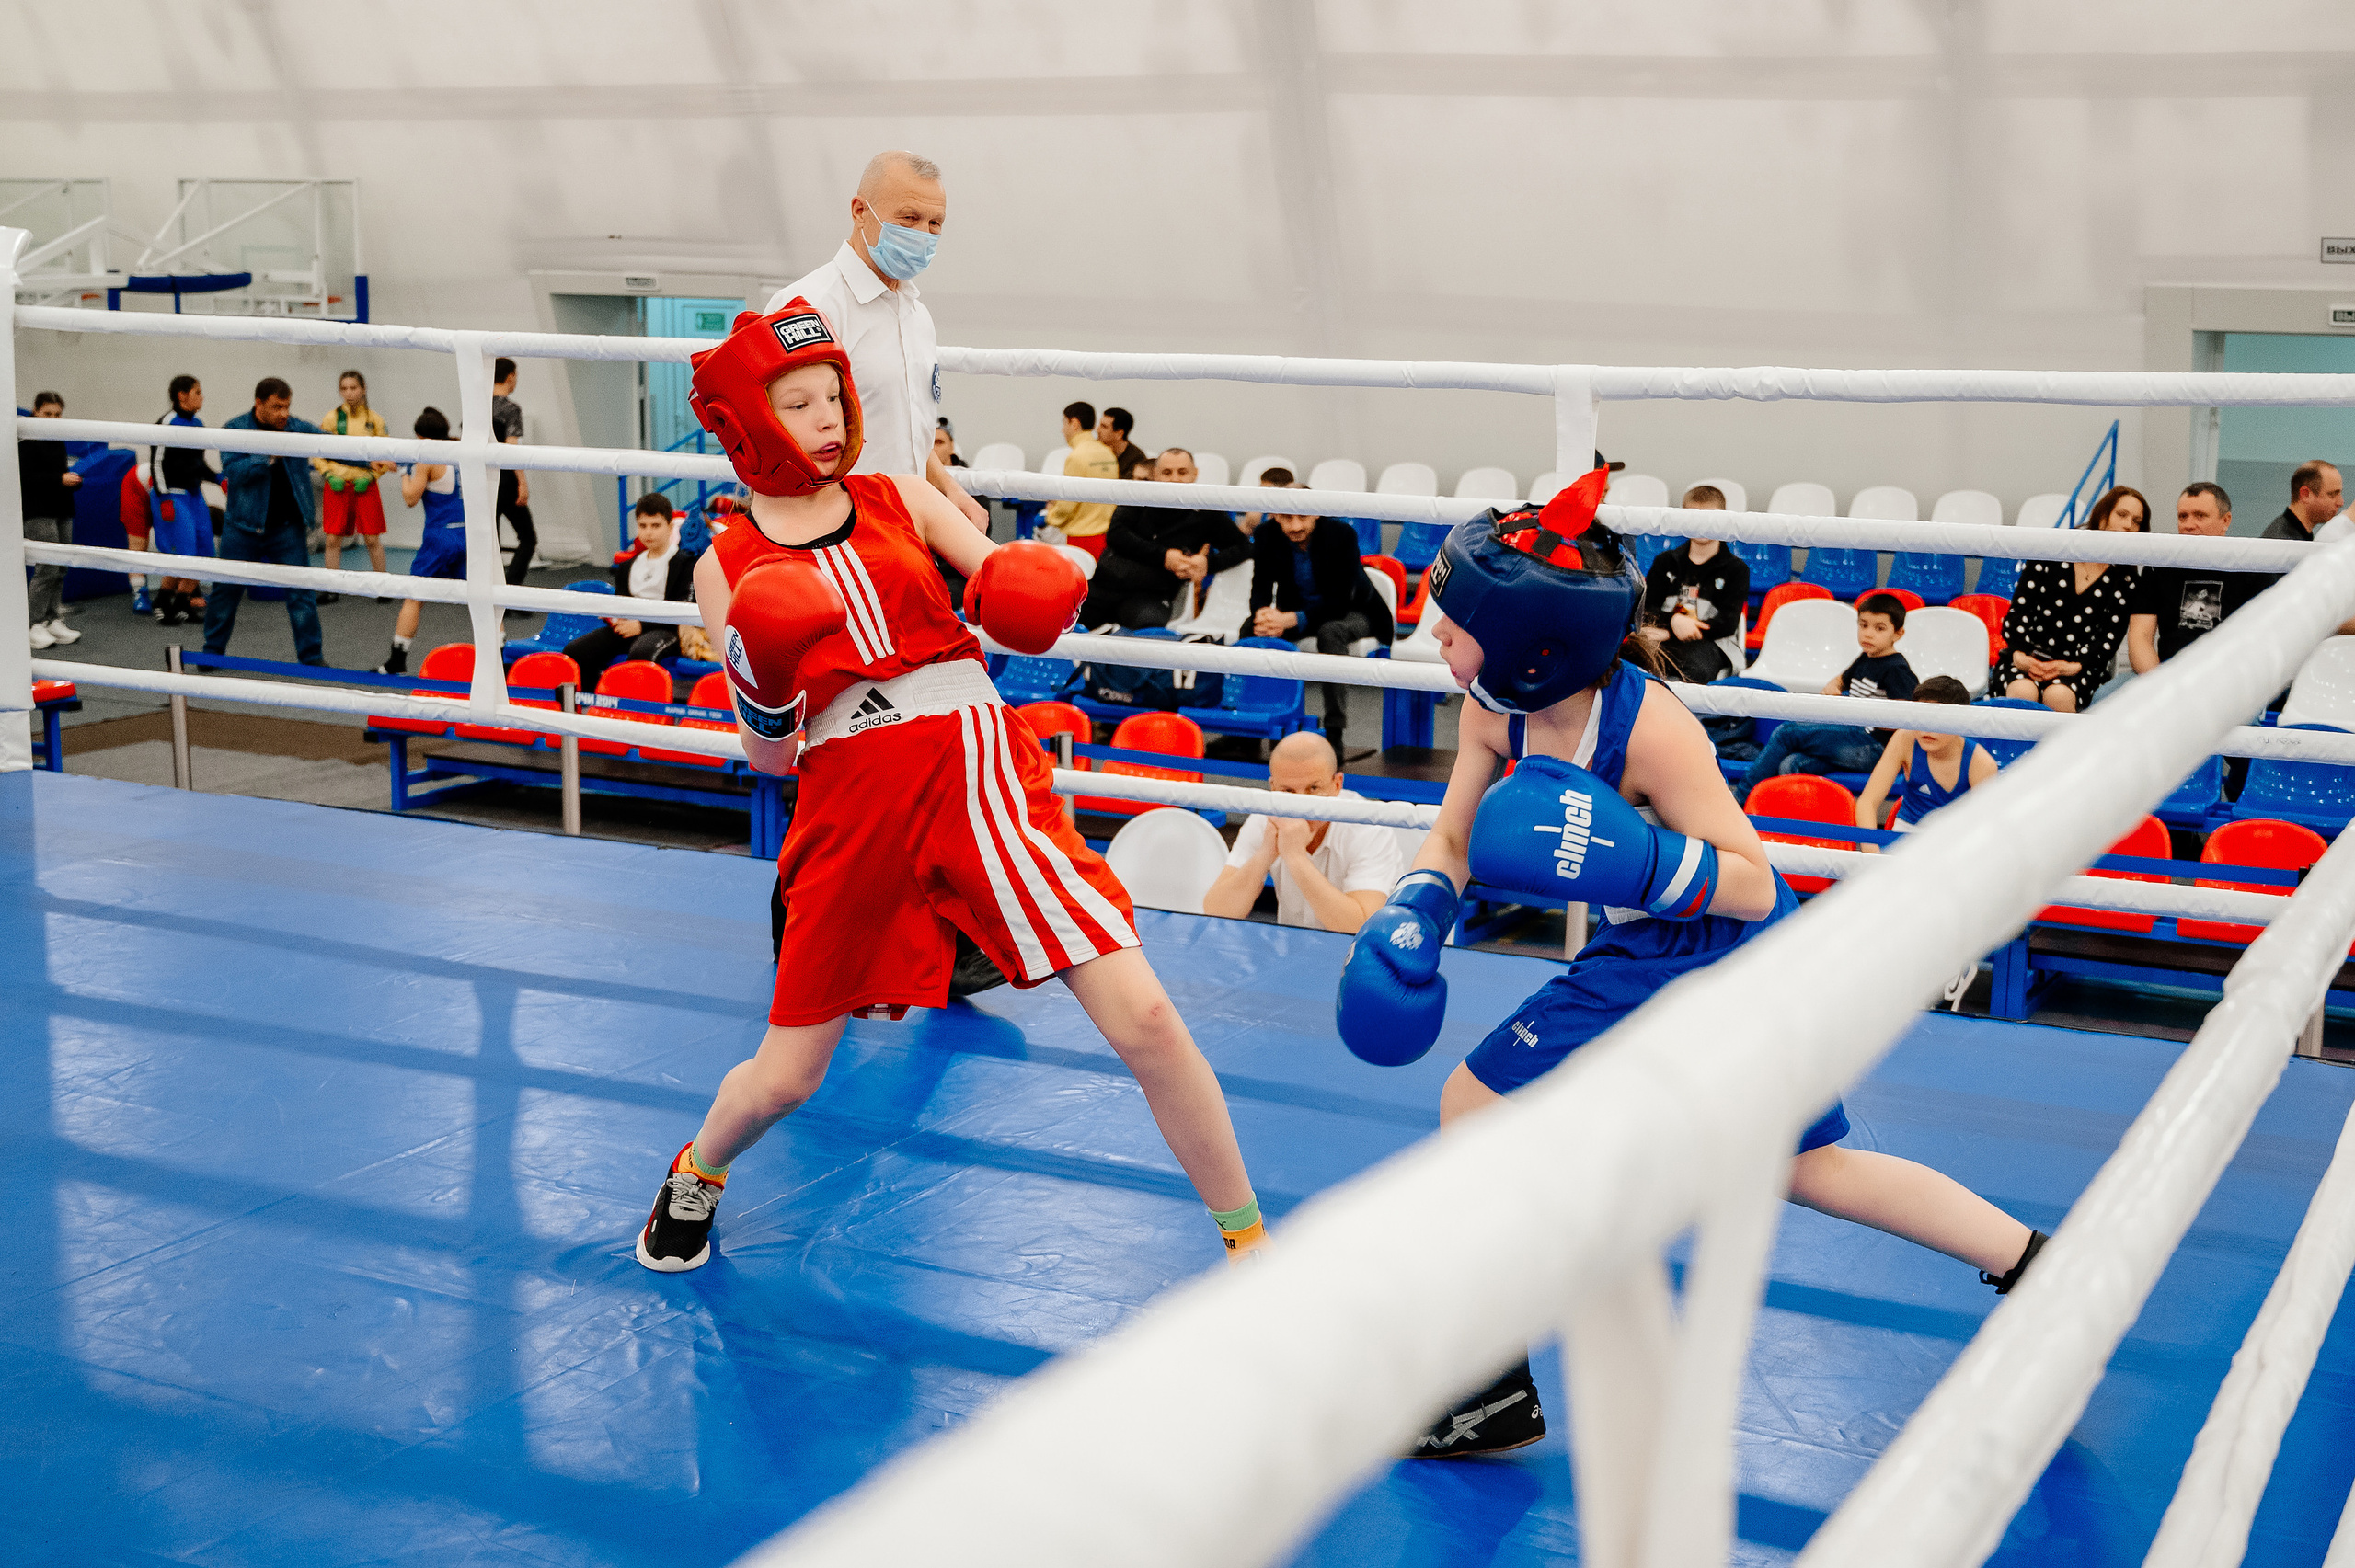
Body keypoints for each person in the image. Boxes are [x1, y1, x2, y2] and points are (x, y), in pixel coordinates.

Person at [1334, 470, 2046, 1458]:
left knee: (1474, 1105)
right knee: (1806, 1165)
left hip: (1720, 941)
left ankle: (1485, 1378)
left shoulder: (1652, 727)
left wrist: (1643, 857)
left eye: (1453, 624)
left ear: (1536, 643)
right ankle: (2035, 1264)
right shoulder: (1491, 706)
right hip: (1658, 945)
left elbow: (1753, 883)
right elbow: (1452, 837)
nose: (1433, 637)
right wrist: (1418, 906)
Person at [634, 300, 1269, 1276]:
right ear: (745, 423)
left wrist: (1034, 580)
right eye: (796, 402)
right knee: (789, 1076)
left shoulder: (897, 496)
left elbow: (1012, 594)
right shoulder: (727, 564)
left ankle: (1250, 1247)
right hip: (851, 798)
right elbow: (769, 760)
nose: (824, 418)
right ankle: (698, 1169)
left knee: (1144, 1016)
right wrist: (763, 680)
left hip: (979, 764)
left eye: (830, 396)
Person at [762, 149, 991, 533]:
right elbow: (778, 443)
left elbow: (903, 428)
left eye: (935, 223)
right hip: (838, 537)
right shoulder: (809, 307)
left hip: (908, 532)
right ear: (859, 211)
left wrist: (948, 489)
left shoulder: (916, 314)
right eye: (909, 218)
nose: (923, 234)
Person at [1246, 486, 1396, 759]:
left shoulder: (1341, 535)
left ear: (1317, 513)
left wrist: (1290, 620)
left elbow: (1339, 601)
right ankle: (1247, 727)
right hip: (1299, 611)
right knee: (1250, 630)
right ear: (1275, 516)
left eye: (1302, 517)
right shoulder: (1266, 535)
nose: (1295, 526)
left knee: (1331, 633)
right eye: (1286, 518)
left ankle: (1334, 731)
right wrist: (1262, 615)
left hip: (1354, 612)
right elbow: (1260, 587)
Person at [1200, 731, 1399, 933]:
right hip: (1293, 953)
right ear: (1273, 789)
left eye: (1313, 788)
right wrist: (1265, 855)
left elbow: (1362, 928)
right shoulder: (1266, 819)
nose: (1301, 806)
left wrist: (1296, 857)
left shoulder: (1368, 829)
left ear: (1337, 785)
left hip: (1359, 958)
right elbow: (1216, 910)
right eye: (1288, 791)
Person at [1735, 592, 1917, 798]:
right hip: (1853, 737)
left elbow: (1906, 717)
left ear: (1898, 633)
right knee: (1791, 764)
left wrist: (1861, 712)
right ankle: (1792, 820)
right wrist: (1834, 686)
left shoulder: (1897, 669)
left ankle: (1740, 799)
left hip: (1874, 749)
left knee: (1786, 732)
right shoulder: (1867, 657)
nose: (1868, 634)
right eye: (1863, 625)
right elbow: (1841, 680)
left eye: (1879, 628)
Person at [203, 378, 326, 669]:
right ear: (259, 404)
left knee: (301, 594)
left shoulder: (295, 427)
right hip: (242, 527)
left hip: (287, 527)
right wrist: (269, 454)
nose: (284, 413)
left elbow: (330, 443)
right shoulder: (235, 429)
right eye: (277, 407)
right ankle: (211, 653)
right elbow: (233, 472)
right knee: (225, 591)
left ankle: (311, 658)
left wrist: (370, 457)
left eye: (287, 406)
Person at [1998, 485, 2146, 712]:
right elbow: (2018, 612)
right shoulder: (2052, 551)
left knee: (2058, 696)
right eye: (2122, 515)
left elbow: (2108, 638)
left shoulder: (2126, 580)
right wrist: (2020, 655)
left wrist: (2072, 667)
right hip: (2024, 657)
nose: (2128, 525)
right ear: (2103, 513)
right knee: (2022, 691)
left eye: (2136, 521)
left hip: (2079, 668)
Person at [1083, 448, 1250, 629]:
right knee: (1063, 617)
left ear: (1195, 474)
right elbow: (1115, 535)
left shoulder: (1205, 512)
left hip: (1150, 597)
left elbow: (1245, 547)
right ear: (1155, 475)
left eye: (1183, 472)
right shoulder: (1139, 496)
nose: (1175, 479)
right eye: (1167, 473)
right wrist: (1164, 557)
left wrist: (1207, 564)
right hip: (1105, 586)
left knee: (1149, 632)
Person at [2127, 483, 2274, 675]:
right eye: (2183, 516)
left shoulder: (2252, 569)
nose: (2188, 525)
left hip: (2229, 679)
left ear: (2226, 521)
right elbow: (2140, 637)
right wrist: (2160, 684)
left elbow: (2265, 638)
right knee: (2103, 698)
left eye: (2200, 516)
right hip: (2165, 676)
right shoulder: (2159, 566)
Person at [564, 495, 696, 690]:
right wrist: (614, 616)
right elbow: (622, 602)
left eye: (655, 525)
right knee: (575, 651)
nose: (648, 532)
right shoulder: (628, 566)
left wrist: (641, 625)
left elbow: (682, 610)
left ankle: (642, 714)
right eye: (642, 526)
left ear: (670, 527)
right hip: (630, 628)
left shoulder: (686, 564)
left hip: (667, 630)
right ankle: (594, 705)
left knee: (642, 652)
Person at [376, 407, 466, 675]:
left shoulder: (426, 458)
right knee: (484, 599)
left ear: (420, 436)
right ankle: (501, 660)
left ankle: (397, 661)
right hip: (470, 533)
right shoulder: (459, 451)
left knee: (414, 597)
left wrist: (405, 471)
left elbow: (410, 497)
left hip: (440, 537)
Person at [1854, 676, 1995, 838]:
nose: (1926, 729)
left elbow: (1984, 830)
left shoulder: (1981, 764)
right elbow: (1867, 802)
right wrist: (1873, 855)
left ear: (1961, 721)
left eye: (1938, 720)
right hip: (1905, 835)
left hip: (1956, 841)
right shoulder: (1905, 739)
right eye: (1922, 717)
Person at [1637, 484, 1749, 682]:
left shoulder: (1737, 569)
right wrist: (1674, 621)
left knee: (1695, 668)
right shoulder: (1665, 561)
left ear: (1723, 519)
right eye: (1693, 517)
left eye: (1709, 518)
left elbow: (1727, 624)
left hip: (1711, 644)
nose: (1701, 525)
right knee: (1625, 659)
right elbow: (1647, 609)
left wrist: (1671, 630)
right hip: (1661, 639)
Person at [313, 369, 396, 599]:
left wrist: (371, 477)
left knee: (372, 538)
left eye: (353, 388)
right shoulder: (331, 418)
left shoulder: (375, 420)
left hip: (365, 485)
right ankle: (332, 588)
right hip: (337, 485)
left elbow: (386, 457)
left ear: (363, 388)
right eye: (344, 389)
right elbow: (317, 452)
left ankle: (383, 586)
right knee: (332, 538)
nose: (348, 393)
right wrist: (329, 474)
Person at [145, 373, 216, 625]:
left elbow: (199, 465)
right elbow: (156, 463)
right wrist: (164, 498)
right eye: (198, 392)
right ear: (182, 395)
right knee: (184, 555)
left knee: (205, 552)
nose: (202, 397)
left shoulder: (198, 425)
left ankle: (180, 602)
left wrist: (219, 479)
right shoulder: (167, 423)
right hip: (172, 496)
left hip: (194, 496)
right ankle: (166, 603)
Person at [19, 392, 83, 650]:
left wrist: (73, 481)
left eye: (57, 414)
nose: (53, 419)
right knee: (46, 567)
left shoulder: (57, 441)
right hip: (37, 511)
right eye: (48, 414)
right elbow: (26, 479)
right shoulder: (25, 443)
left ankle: (53, 618)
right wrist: (60, 480)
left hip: (62, 508)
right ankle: (33, 624)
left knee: (61, 567)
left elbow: (59, 475)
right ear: (35, 411)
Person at [1044, 400, 1119, 556]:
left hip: (1079, 539)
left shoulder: (1077, 457)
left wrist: (1049, 516)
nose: (1062, 430)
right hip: (1106, 537)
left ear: (1074, 424)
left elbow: (1068, 503)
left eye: (1064, 423)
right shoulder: (1107, 453)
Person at [491, 359, 537, 588]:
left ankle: (495, 592)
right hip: (506, 480)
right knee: (528, 537)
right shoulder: (511, 409)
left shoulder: (476, 407)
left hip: (482, 480)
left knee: (491, 540)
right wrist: (523, 482)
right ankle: (511, 587)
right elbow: (511, 449)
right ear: (510, 376)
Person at [2264, 460, 2343, 544]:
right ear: (2305, 494)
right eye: (2332, 494)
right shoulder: (2284, 543)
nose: (2340, 503)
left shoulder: (2292, 538)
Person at [1236, 466, 1294, 537]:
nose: (1262, 496)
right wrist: (1249, 525)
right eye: (1261, 491)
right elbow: (1237, 539)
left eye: (1267, 493)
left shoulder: (1294, 515)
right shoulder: (1258, 512)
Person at [1097, 406, 1144, 478]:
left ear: (1119, 434)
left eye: (1104, 427)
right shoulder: (1093, 449)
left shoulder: (1136, 460)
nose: (1097, 430)